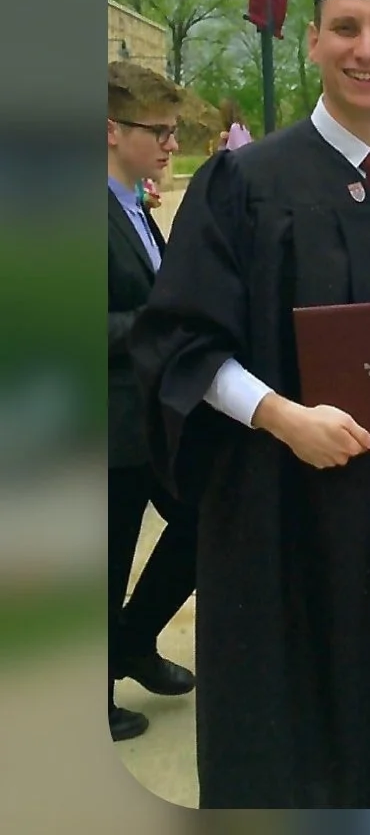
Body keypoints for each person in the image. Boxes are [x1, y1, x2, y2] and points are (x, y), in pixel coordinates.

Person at [128, 0, 370, 808]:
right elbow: (180, 339)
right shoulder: (246, 182)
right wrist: (283, 417)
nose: (366, 49)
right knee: (294, 732)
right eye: (347, 27)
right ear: (313, 37)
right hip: (286, 506)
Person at [106, 60, 198, 744]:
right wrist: (160, 318)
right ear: (111, 130)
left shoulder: (133, 201)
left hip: (151, 420)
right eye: (158, 132)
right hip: (107, 425)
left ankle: (132, 640)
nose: (171, 144)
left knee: (201, 523)